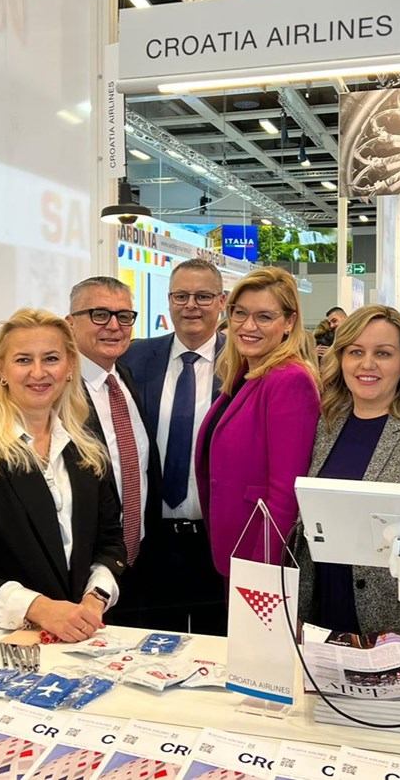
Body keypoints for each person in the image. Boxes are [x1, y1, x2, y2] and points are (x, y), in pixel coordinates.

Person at [0, 309, 125, 641]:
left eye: (51, 358)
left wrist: (95, 597)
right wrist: (39, 608)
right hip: (0, 640)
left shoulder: (86, 448)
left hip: (84, 635)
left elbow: (110, 542)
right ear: (0, 370)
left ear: (70, 367)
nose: (38, 372)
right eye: (23, 360)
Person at [297, 306, 400, 644]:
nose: (367, 364)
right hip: (322, 609)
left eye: (383, 353)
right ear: (341, 360)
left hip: (395, 624)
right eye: (356, 352)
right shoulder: (325, 428)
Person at [120, 259, 228, 635]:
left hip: (216, 539)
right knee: (150, 642)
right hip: (151, 539)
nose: (190, 306)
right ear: (168, 301)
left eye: (203, 296)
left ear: (221, 302)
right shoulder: (133, 357)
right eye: (181, 296)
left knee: (217, 645)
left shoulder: (246, 364)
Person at [196, 267, 320, 577]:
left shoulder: (289, 380)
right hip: (233, 547)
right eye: (240, 313)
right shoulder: (245, 375)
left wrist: (262, 571)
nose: (248, 326)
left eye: (264, 317)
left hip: (258, 557)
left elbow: (285, 493)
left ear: (289, 323)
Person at [67, 277, 161, 627]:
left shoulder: (124, 377)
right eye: (99, 314)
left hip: (138, 564)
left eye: (124, 316)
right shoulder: (57, 391)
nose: (113, 326)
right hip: (82, 574)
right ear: (70, 322)